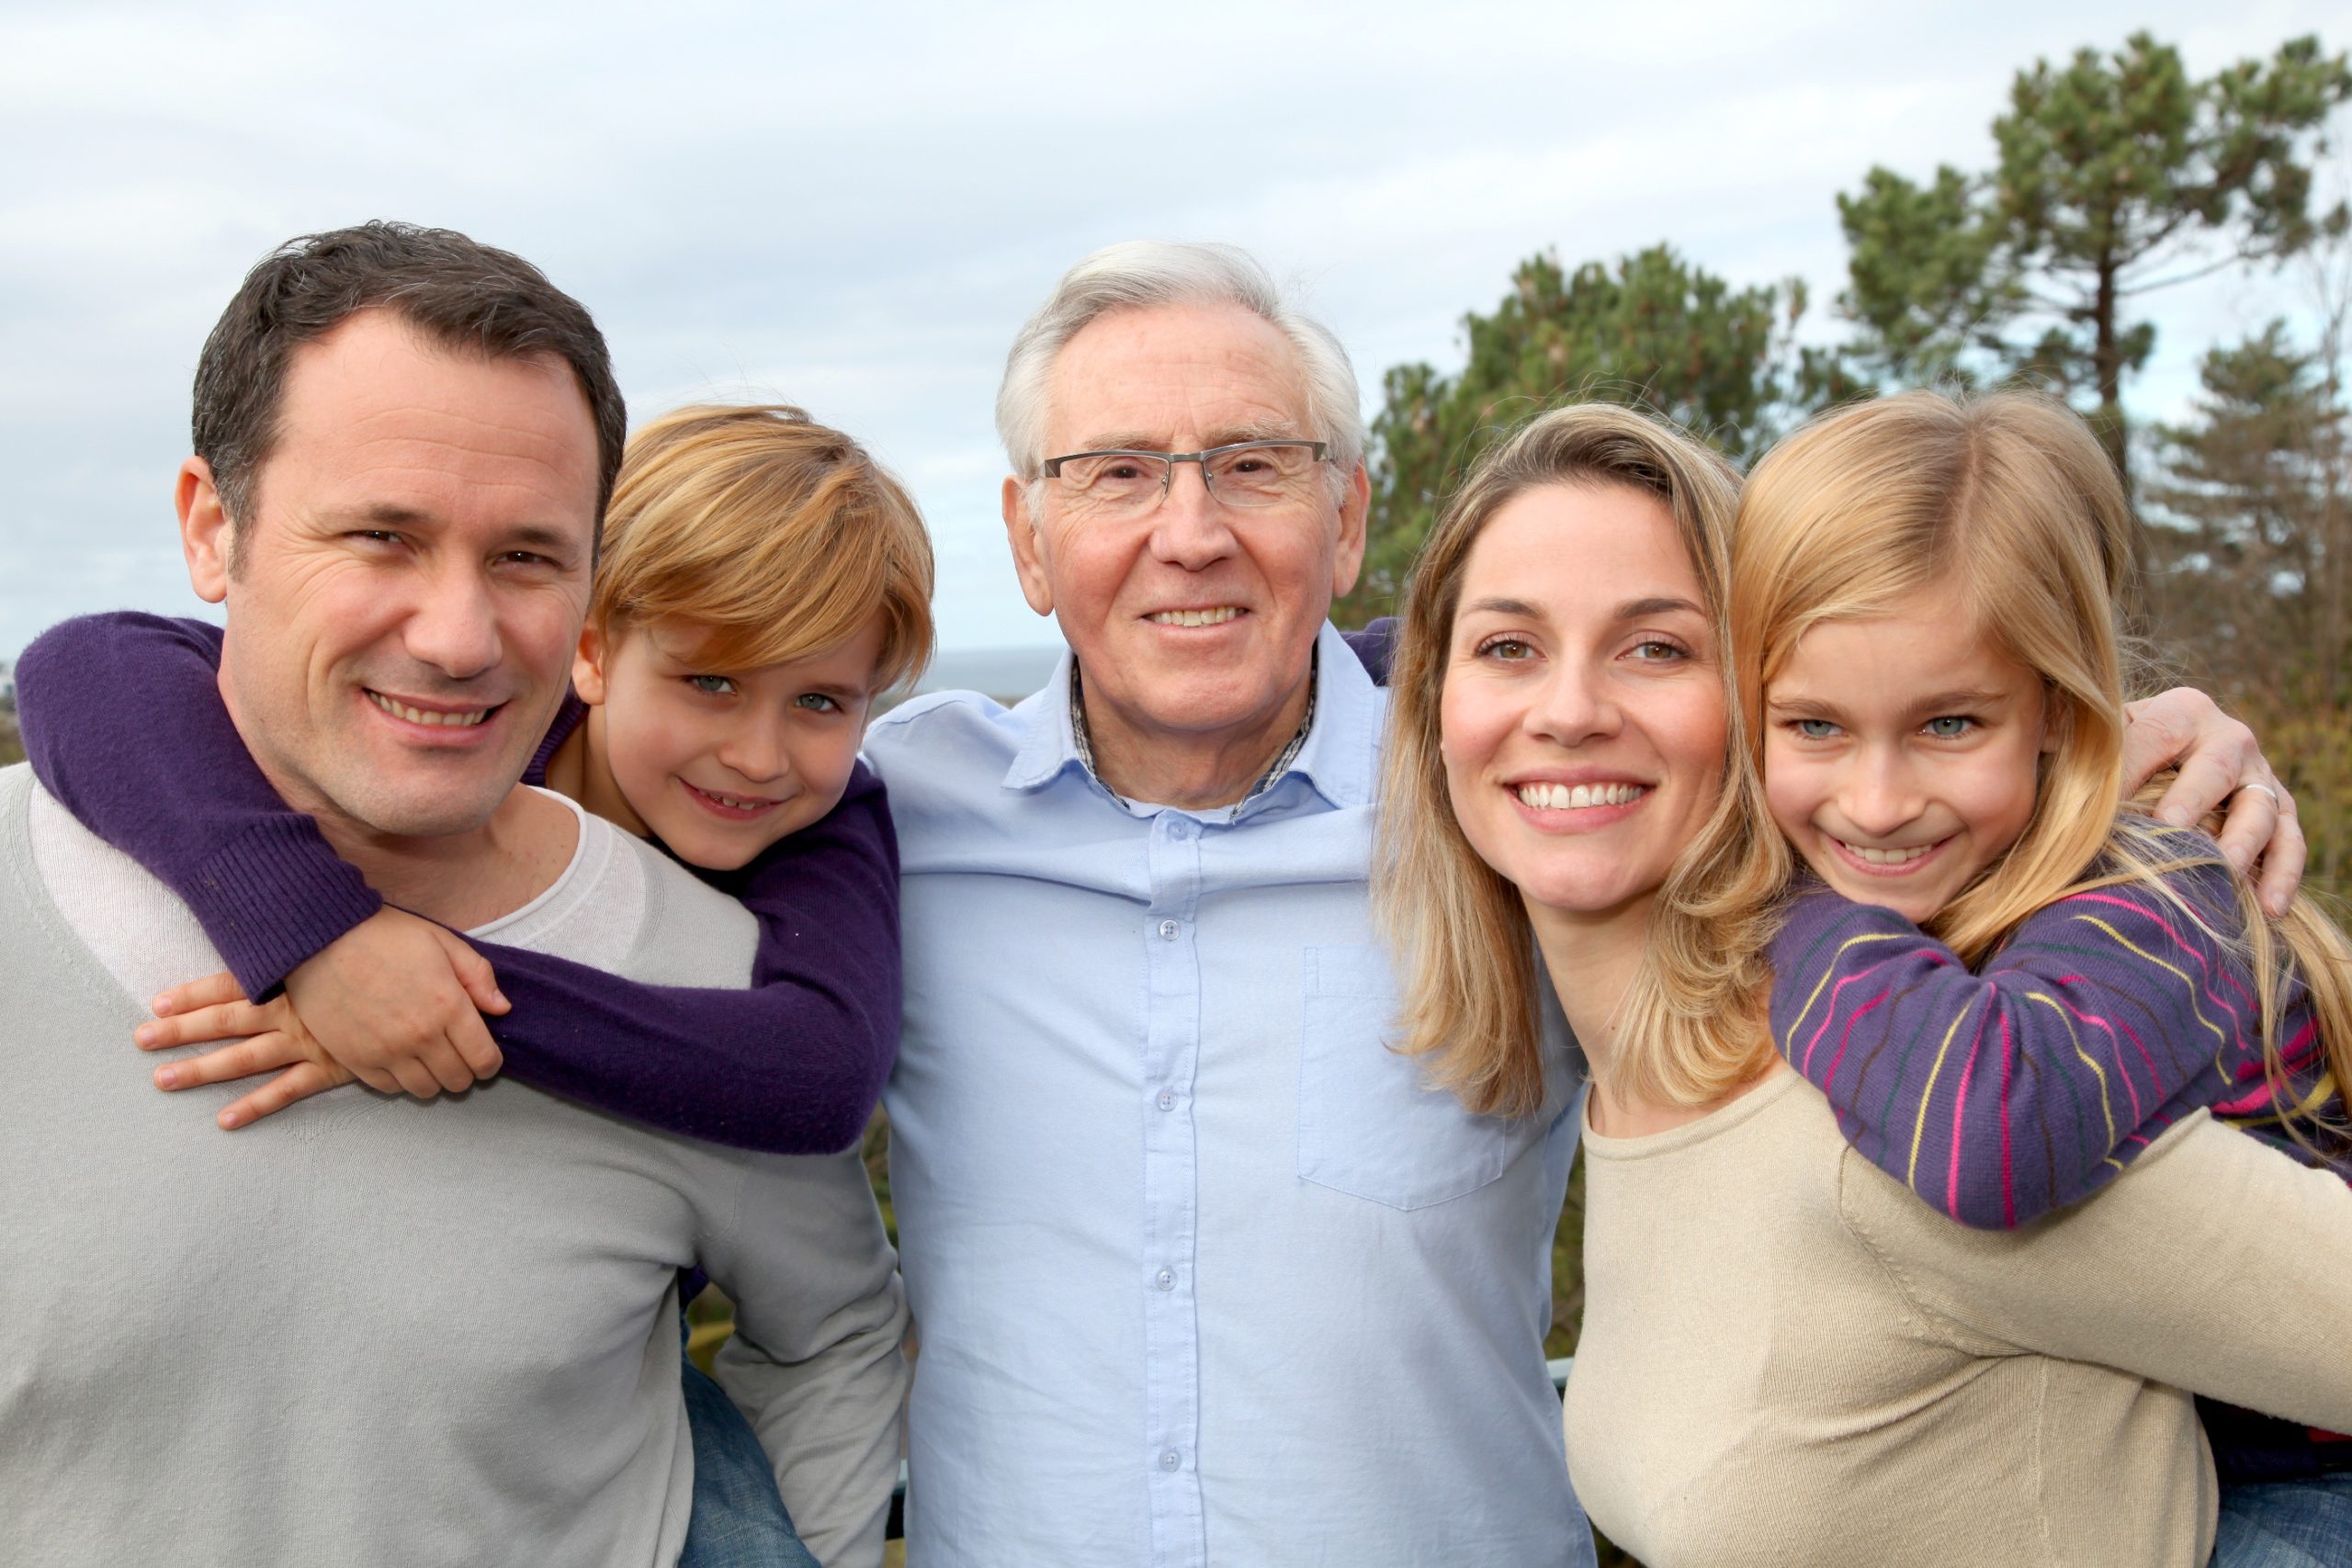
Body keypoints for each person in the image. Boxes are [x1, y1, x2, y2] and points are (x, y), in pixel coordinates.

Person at [14, 238, 2305, 1565]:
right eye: (1116, 472)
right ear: (1025, 538)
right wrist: (306, 917)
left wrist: (2132, 785)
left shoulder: (1519, 805)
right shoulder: (877, 804)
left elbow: (1857, 743)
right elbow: (128, 663)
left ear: (1345, 507)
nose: (1185, 530)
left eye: (1249, 468)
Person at [0, 223, 909, 1567]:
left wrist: (429, 981)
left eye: (528, 555)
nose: (459, 633)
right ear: (212, 525)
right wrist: (315, 928)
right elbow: (88, 658)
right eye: (380, 534)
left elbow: (831, 1242)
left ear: (583, 590)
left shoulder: (761, 906)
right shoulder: (142, 760)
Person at [1375, 398, 2352, 1567]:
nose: (1570, 709)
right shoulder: (1636, 1084)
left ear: (1749, 698)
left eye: (1657, 647)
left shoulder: (1909, 1089)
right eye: (1506, 647)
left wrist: (2099, 769)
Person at [1732, 389, 2352, 1557]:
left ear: (2060, 712)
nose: (1874, 799)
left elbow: (1988, 1131)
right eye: (1812, 726)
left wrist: (1785, 907)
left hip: (2302, 1483)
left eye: (1951, 724)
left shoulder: (2162, 890)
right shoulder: (1968, 869)